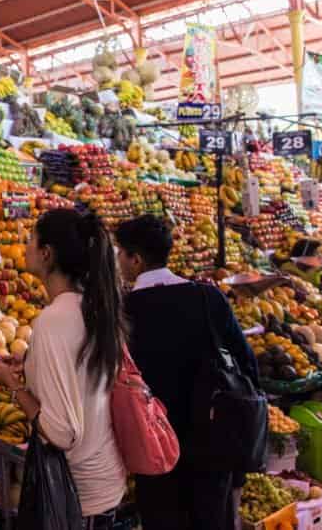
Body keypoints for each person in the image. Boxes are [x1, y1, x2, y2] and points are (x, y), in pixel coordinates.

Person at [114, 214, 258, 530]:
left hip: (155, 445)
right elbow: (247, 364)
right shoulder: (209, 298)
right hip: (213, 439)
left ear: (135, 259)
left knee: (162, 518)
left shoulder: (124, 311)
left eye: (120, 254)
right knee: (212, 519)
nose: (119, 262)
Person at [0, 208, 127, 527]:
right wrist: (32, 363)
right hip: (102, 479)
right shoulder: (91, 306)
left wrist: (13, 384)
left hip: (79, 494)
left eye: (31, 240)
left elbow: (60, 432)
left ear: (47, 254)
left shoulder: (53, 320)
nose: (25, 247)